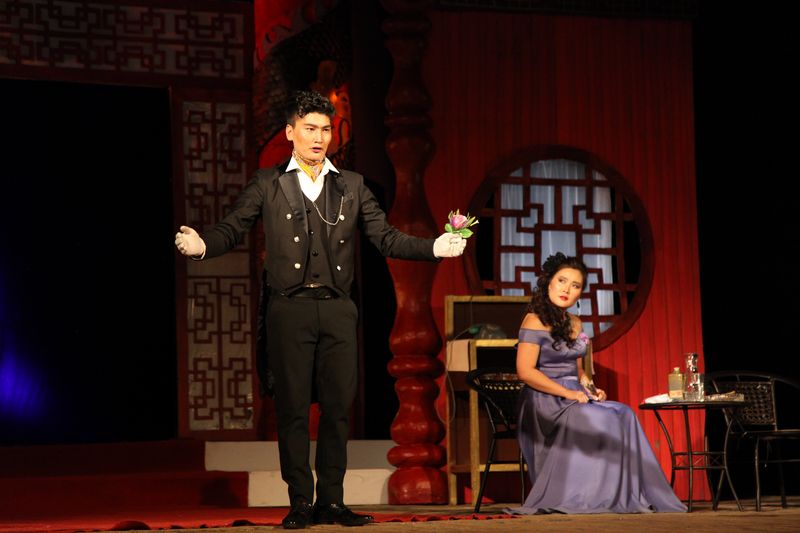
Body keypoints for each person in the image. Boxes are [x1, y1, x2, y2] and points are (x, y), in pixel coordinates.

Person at [175, 91, 466, 529]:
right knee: (293, 410)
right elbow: (233, 228)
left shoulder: (352, 185)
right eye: (309, 128)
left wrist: (433, 247)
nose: (318, 137)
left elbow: (386, 237)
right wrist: (202, 245)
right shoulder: (268, 183)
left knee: (337, 409)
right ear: (291, 132)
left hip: (337, 310)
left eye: (325, 129)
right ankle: (300, 503)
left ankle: (332, 501)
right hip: (288, 309)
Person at [508, 253, 686, 514]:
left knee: (624, 413)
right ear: (548, 282)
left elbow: (580, 372)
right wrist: (568, 393)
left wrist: (592, 389)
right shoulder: (534, 320)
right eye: (562, 281)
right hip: (545, 399)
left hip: (575, 395)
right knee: (602, 419)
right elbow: (525, 372)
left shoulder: (575, 323)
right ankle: (589, 495)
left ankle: (619, 495)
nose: (567, 289)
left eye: (575, 285)